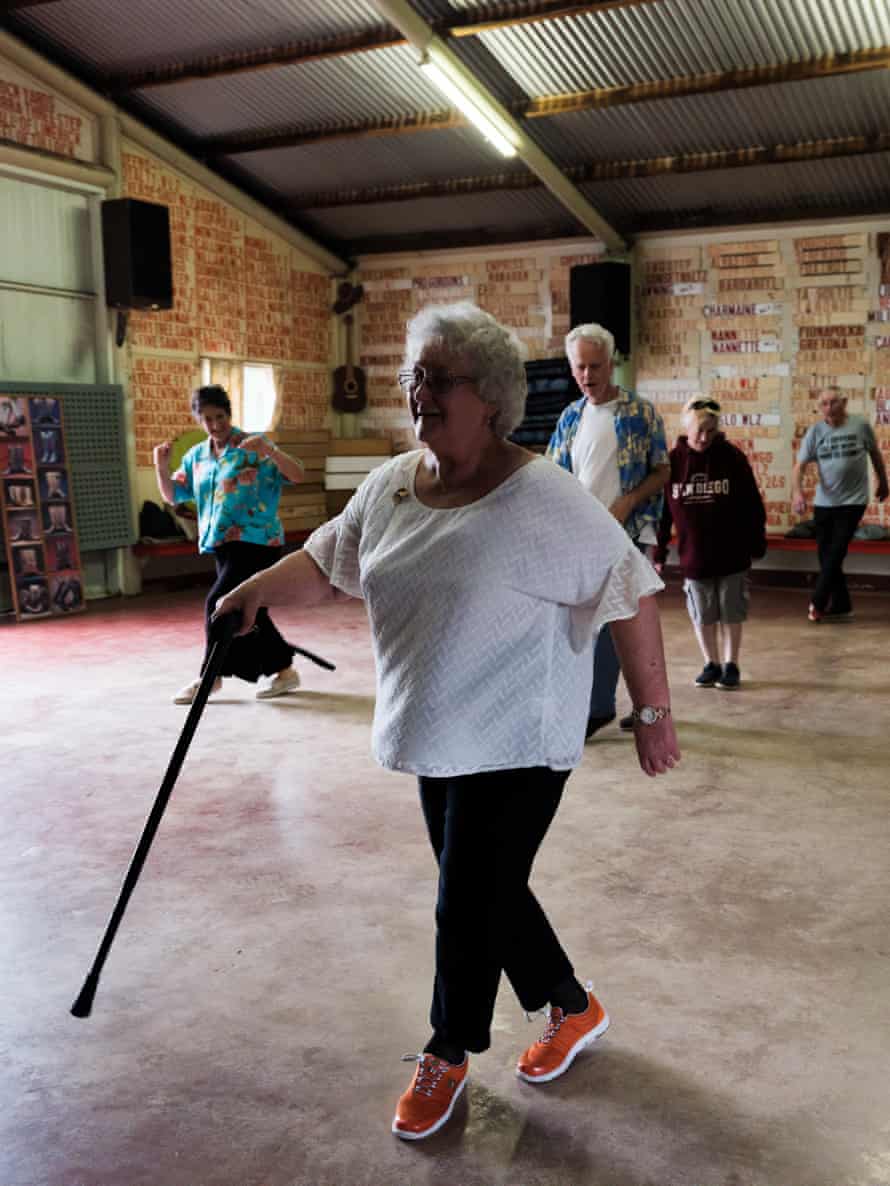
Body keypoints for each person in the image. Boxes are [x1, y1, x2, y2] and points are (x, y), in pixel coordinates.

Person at [213, 303, 681, 1142]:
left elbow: (631, 588)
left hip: (522, 734)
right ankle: (572, 1006)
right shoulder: (393, 482)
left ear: (492, 398)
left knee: (464, 899)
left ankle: (448, 1048)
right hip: (438, 731)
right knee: (489, 892)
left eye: (437, 380)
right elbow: (327, 563)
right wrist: (251, 593)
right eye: (412, 377)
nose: (417, 393)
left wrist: (652, 711)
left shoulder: (544, 497)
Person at [546, 323, 670, 737]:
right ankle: (590, 703)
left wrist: (628, 502)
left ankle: (620, 707)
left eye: (594, 366)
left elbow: (662, 470)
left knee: (626, 621)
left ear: (611, 363)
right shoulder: (570, 417)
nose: (586, 375)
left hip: (626, 533)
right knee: (582, 622)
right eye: (579, 367)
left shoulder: (639, 412)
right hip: (578, 536)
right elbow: (554, 475)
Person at [153, 385, 306, 704]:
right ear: (199, 419)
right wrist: (161, 466)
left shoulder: (253, 446)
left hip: (257, 540)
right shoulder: (197, 455)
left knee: (219, 601)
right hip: (221, 544)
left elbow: (298, 475)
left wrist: (272, 451)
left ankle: (210, 677)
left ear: (229, 414)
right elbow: (173, 495)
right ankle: (284, 671)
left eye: (220, 417)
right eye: (207, 419)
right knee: (252, 610)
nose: (215, 425)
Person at [653, 397, 766, 690]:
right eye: (699, 430)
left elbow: (752, 503)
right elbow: (663, 514)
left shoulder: (732, 457)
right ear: (686, 426)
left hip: (732, 552)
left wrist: (757, 540)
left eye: (711, 431)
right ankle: (711, 663)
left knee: (731, 612)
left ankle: (731, 664)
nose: (704, 437)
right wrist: (660, 551)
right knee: (702, 614)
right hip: (694, 555)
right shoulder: (672, 463)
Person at [791, 387, 888, 622]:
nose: (828, 408)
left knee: (837, 549)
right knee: (826, 555)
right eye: (823, 404)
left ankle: (818, 600)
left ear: (844, 403)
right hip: (825, 502)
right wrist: (797, 493)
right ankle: (842, 605)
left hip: (854, 501)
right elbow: (800, 466)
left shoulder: (860, 426)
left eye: (833, 403)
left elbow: (875, 454)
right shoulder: (815, 432)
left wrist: (883, 483)